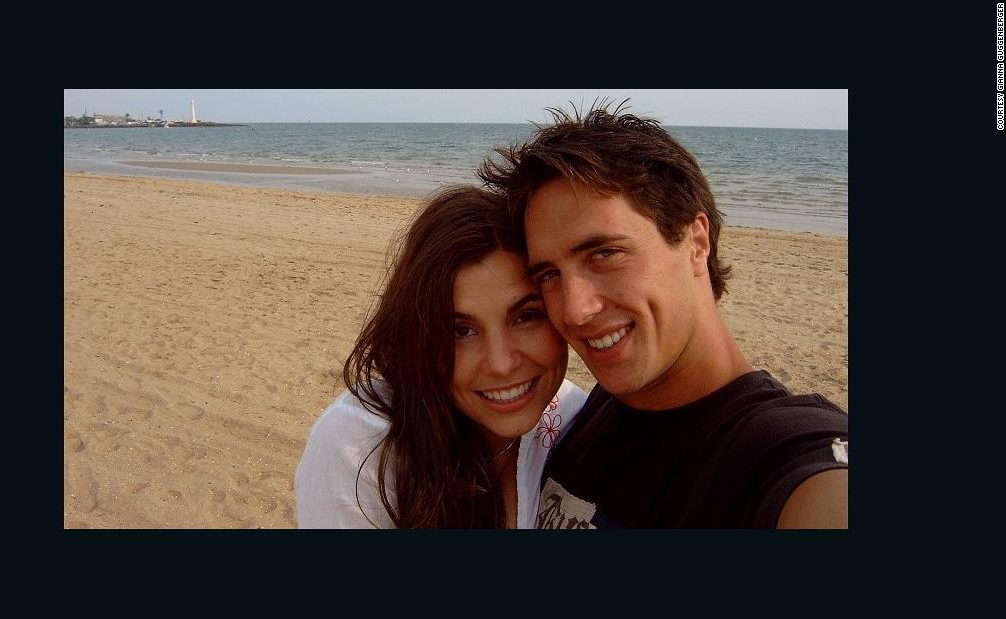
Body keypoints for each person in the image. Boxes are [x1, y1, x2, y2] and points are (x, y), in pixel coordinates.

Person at [478, 102, 848, 528]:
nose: (575, 311)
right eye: (549, 275)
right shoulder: (592, 413)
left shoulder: (777, 451)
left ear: (696, 241)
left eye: (604, 253)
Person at [294, 186, 587, 528]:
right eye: (460, 331)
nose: (501, 363)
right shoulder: (359, 445)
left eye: (526, 317)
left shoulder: (571, 418)